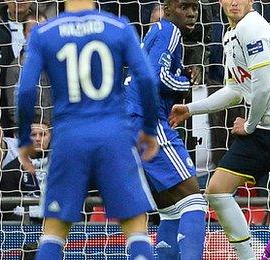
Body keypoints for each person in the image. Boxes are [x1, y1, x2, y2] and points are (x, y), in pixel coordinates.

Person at [170, 0, 270, 259]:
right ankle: (247, 257)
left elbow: (263, 88)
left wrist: (249, 125)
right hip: (259, 130)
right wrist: (191, 109)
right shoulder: (230, 32)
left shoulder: (253, 27)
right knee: (217, 191)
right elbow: (235, 89)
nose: (233, 2)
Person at [16, 0, 161, 259]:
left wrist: (25, 137)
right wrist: (149, 129)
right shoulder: (119, 26)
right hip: (114, 136)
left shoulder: (44, 32)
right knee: (136, 229)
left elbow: (26, 90)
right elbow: (148, 78)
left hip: (68, 138)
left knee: (54, 231)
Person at [125, 0, 207, 259]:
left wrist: (180, 71)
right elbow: (157, 77)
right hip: (148, 120)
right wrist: (183, 82)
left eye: (195, 7)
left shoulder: (154, 33)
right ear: (168, 8)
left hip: (129, 119)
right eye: (184, 6)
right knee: (195, 201)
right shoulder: (169, 31)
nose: (192, 12)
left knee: (171, 209)